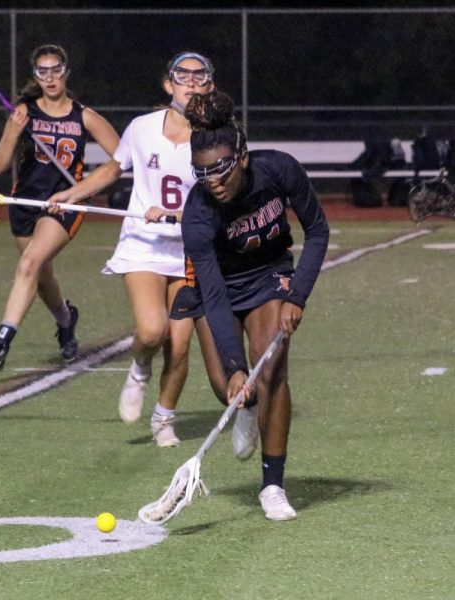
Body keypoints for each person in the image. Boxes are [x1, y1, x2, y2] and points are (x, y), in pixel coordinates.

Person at [48, 52, 215, 447]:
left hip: (190, 249)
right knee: (152, 330)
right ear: (168, 84)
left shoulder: (215, 136)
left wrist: (178, 213)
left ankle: (163, 418)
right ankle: (140, 368)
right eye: (183, 76)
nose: (191, 83)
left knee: (179, 345)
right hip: (143, 243)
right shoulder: (142, 128)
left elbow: (223, 195)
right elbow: (112, 168)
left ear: (209, 86)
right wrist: (72, 193)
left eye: (200, 77)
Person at [178, 89, 329, 520]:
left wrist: (296, 296)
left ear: (241, 157)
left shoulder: (279, 170)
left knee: (274, 368)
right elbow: (214, 294)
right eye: (202, 172)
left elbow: (317, 231)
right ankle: (245, 406)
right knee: (224, 383)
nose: (213, 181)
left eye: (221, 169)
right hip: (219, 288)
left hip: (268, 276)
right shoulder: (199, 215)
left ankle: (272, 486)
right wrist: (234, 365)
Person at [0, 44, 119, 369]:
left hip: (64, 204)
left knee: (29, 263)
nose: (50, 77)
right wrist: (13, 130)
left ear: (65, 71)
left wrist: (83, 190)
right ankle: (65, 320)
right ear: (36, 76)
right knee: (40, 274)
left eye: (55, 69)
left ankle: (1, 341)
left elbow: (121, 159)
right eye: (43, 71)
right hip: (25, 202)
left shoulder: (84, 115)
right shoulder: (24, 113)